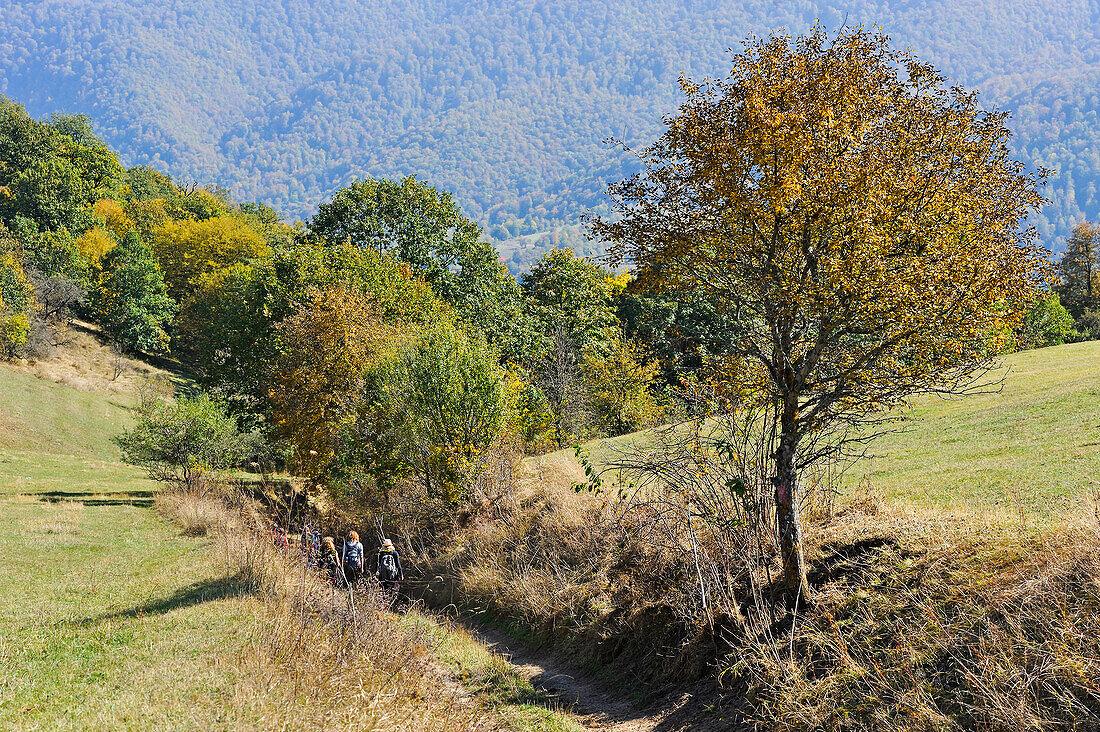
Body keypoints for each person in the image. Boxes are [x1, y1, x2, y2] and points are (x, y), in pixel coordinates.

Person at [375, 538, 404, 604]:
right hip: (393, 575)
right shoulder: (394, 553)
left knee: (384, 589)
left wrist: (376, 574)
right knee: (393, 589)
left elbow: (378, 565)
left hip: (383, 575)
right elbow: (398, 565)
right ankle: (391, 603)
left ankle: (385, 602)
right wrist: (401, 574)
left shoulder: (381, 554)